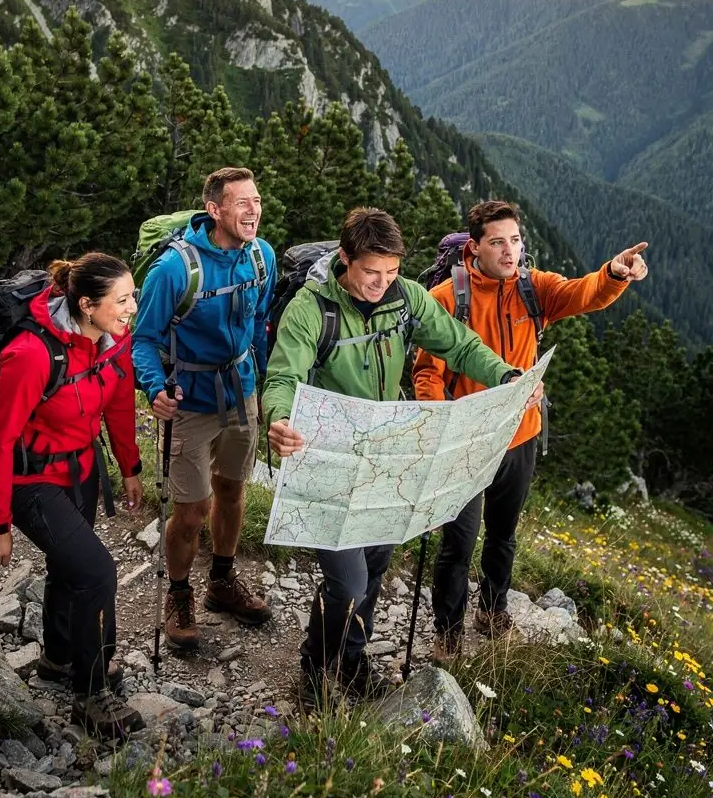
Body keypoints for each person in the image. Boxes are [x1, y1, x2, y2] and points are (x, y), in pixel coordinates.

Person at [262, 206, 527, 705]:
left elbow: (460, 346)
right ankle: (315, 666)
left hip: (384, 454)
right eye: (370, 273)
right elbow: (282, 377)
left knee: (378, 563)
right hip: (327, 456)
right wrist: (279, 419)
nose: (381, 283)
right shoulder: (310, 309)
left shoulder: (406, 299)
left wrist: (504, 375)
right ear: (346, 260)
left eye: (390, 272)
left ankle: (354, 660)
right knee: (348, 581)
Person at [412, 199, 648, 660]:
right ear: (474, 247)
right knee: (458, 542)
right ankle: (448, 630)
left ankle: (493, 608)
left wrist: (614, 274)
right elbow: (427, 373)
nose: (509, 252)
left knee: (503, 532)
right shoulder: (447, 299)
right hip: (467, 440)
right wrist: (440, 424)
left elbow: (582, 293)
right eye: (497, 242)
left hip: (520, 435)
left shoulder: (531, 289)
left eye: (515, 241)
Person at [0, 253, 145, 739]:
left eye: (132, 295)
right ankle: (91, 693)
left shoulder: (114, 341)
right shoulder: (31, 355)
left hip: (82, 470)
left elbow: (118, 405)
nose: (132, 306)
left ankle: (56, 658)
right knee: (96, 570)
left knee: (70, 568)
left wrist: (130, 466)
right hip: (30, 482)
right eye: (122, 299)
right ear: (87, 305)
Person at [132, 167, 277, 651]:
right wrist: (155, 388)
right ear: (214, 210)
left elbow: (258, 320)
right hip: (189, 402)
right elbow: (144, 340)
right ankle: (178, 594)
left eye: (255, 200)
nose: (253, 210)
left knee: (232, 489)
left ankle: (221, 581)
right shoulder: (174, 270)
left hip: (242, 391)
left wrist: (262, 378)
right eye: (241, 202)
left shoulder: (262, 256)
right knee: (191, 510)